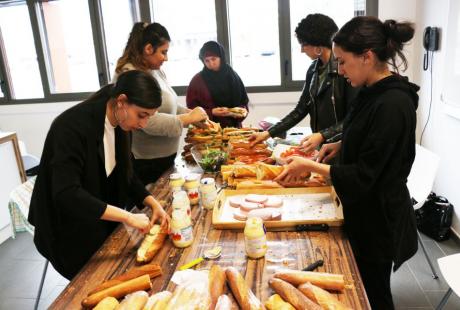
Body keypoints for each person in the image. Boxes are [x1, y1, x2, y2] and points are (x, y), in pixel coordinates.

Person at [275, 16, 419, 309]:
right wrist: (339, 144)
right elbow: (368, 138)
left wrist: (312, 166)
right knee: (365, 284)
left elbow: (367, 175)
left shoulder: (393, 104)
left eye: (342, 62)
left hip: (378, 219)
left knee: (373, 294)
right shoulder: (371, 92)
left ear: (367, 57)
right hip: (362, 211)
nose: (339, 71)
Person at [28, 70, 170, 280]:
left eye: (149, 117)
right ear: (122, 101)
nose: (143, 124)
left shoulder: (120, 121)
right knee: (96, 282)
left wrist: (152, 203)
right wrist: (128, 217)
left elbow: (127, 173)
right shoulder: (71, 127)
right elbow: (67, 193)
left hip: (95, 218)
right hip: (67, 230)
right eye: (142, 115)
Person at [113, 22, 208, 184]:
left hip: (164, 157)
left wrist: (190, 114)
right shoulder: (129, 74)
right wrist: (188, 119)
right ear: (148, 49)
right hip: (146, 161)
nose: (166, 58)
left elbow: (169, 106)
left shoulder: (155, 70)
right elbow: (147, 121)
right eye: (163, 52)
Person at [249, 13, 356, 149]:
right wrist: (268, 133)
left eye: (303, 44)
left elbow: (354, 117)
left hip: (341, 146)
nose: (301, 50)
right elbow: (300, 110)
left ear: (318, 46)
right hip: (320, 145)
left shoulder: (344, 71)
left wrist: (323, 135)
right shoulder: (313, 70)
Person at [186, 41, 249, 128]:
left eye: (214, 59)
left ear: (221, 57)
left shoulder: (233, 77)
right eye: (207, 61)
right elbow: (190, 110)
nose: (211, 63)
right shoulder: (197, 81)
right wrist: (211, 112)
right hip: (208, 131)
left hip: (233, 131)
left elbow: (244, 105)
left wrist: (232, 112)